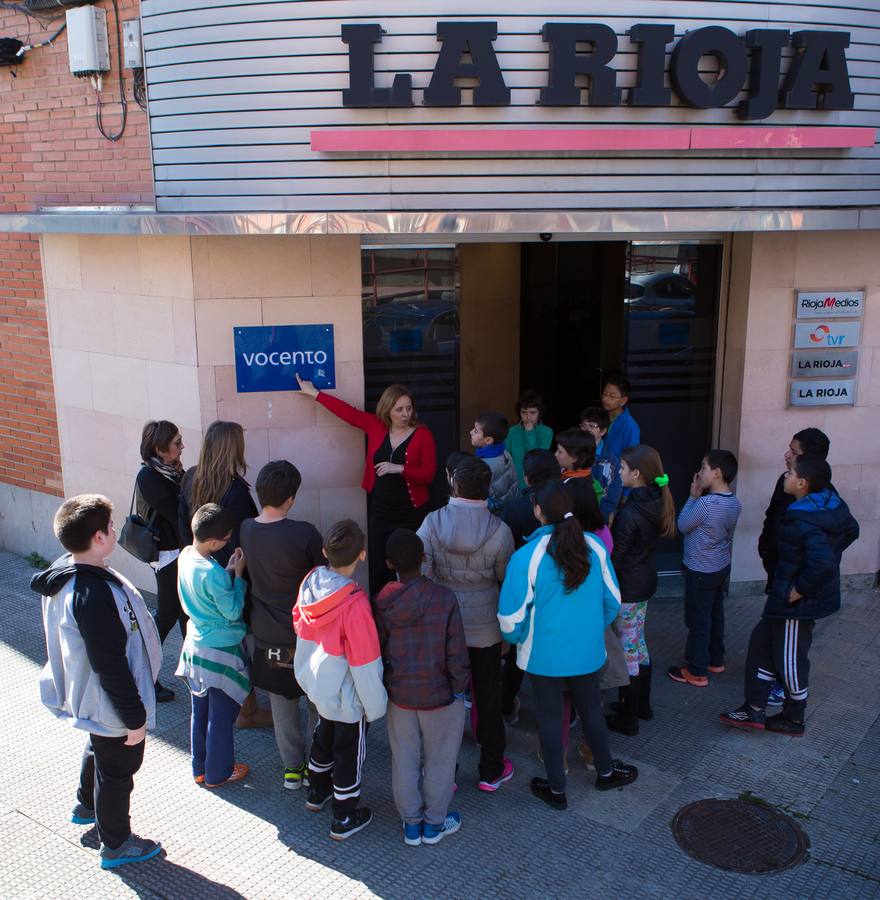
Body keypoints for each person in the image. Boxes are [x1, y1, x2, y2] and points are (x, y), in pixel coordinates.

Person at [36, 494, 162, 869]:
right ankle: (116, 842)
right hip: (110, 701)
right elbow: (110, 663)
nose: (113, 530)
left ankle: (86, 804)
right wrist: (134, 717)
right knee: (119, 768)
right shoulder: (92, 594)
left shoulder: (68, 570)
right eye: (109, 527)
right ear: (97, 538)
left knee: (100, 748)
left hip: (92, 699)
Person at [498, 482, 638, 810]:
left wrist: (520, 641)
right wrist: (590, 630)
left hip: (542, 658)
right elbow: (612, 602)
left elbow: (509, 619)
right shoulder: (594, 546)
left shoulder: (526, 557)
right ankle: (605, 771)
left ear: (538, 511)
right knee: (592, 713)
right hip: (588, 654)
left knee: (549, 719)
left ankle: (556, 789)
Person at [721, 455, 859, 736]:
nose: (784, 476)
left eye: (789, 473)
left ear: (802, 482)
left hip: (796, 604)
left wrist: (799, 590)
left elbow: (822, 563)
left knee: (790, 658)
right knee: (761, 644)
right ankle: (754, 708)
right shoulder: (823, 505)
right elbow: (850, 531)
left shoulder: (805, 519)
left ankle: (794, 718)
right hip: (783, 599)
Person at [417, 456, 515, 792]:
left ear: (453, 484)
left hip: (444, 625)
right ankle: (490, 769)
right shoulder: (500, 531)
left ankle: (445, 772)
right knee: (488, 697)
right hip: (485, 627)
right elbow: (506, 581)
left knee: (446, 699)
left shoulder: (432, 523)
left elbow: (420, 570)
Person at [295, 375, 437, 595]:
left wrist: (399, 468)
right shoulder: (376, 426)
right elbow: (348, 413)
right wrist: (315, 394)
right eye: (399, 409)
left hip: (411, 511)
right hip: (381, 509)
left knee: (410, 564)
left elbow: (428, 475)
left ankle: (411, 608)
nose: (405, 414)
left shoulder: (423, 434)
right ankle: (381, 612)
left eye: (408, 408)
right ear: (387, 409)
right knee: (380, 563)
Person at [373, 529, 470, 847]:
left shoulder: (383, 601)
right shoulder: (444, 599)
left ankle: (411, 824)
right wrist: (459, 688)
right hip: (441, 695)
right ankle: (434, 824)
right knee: (440, 760)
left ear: (389, 564)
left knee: (404, 758)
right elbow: (456, 652)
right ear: (425, 559)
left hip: (400, 696)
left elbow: (380, 650)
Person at [293, 520, 388, 841]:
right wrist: (375, 705)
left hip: (316, 683)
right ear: (362, 555)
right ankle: (345, 815)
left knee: (323, 738)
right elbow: (365, 662)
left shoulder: (310, 581)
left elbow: (297, 621)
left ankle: (316, 793)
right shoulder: (356, 603)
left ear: (324, 551)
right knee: (349, 752)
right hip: (347, 696)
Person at [239, 461, 323, 791]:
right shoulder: (304, 533)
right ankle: (318, 760)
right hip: (306, 632)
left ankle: (292, 767)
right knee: (317, 699)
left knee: (281, 702)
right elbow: (322, 575)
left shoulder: (246, 528)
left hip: (266, 633)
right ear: (290, 498)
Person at [178, 420, 265, 727]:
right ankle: (248, 711)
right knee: (237, 641)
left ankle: (232, 701)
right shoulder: (235, 490)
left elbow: (182, 527)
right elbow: (248, 535)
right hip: (230, 572)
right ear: (233, 448)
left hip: (201, 571)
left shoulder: (190, 478)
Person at [756, 427, 834, 708]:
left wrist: (800, 588)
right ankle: (769, 679)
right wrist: (766, 549)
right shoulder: (786, 481)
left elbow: (829, 553)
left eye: (794, 452)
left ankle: (790, 696)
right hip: (779, 571)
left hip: (794, 584)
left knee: (794, 640)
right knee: (772, 632)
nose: (786, 455)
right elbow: (774, 516)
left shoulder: (821, 502)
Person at [176, 504, 250, 789]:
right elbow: (232, 611)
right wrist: (238, 577)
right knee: (221, 715)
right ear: (215, 542)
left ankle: (201, 768)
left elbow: (206, 588)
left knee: (200, 709)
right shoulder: (213, 573)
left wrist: (226, 570)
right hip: (220, 649)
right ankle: (219, 772)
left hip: (194, 643)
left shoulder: (186, 556)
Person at [606, 444, 676, 736]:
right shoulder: (656, 501)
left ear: (636, 474)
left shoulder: (630, 512)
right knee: (638, 645)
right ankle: (641, 706)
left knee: (628, 652)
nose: (618, 473)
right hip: (644, 582)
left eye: (621, 468)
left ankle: (629, 717)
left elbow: (617, 558)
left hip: (629, 589)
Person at [668, 450, 742, 687]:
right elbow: (728, 534)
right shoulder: (735, 503)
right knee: (715, 614)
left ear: (717, 473)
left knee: (698, 619)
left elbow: (682, 525)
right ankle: (715, 659)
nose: (699, 473)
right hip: (720, 566)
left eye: (703, 468)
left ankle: (696, 669)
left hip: (700, 569)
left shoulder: (706, 503)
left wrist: (692, 497)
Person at [499, 448, 561, 725]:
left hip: (525, 587)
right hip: (558, 589)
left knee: (517, 651)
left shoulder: (514, 509)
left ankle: (506, 701)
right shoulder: (564, 502)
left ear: (526, 477)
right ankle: (563, 709)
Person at [135, 420, 187, 704]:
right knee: (166, 616)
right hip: (168, 556)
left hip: (180, 552)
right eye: (177, 443)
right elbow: (177, 514)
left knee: (186, 614)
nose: (182, 447)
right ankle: (143, 675)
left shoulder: (169, 470)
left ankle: (193, 671)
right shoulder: (150, 477)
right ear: (160, 449)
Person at [554, 428, 607, 543]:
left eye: (560, 451)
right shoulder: (593, 482)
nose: (555, 454)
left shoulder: (576, 490)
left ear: (574, 457)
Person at [580, 406, 623, 521]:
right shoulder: (573, 454)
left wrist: (598, 518)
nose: (586, 430)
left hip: (599, 519)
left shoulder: (611, 461)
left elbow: (613, 495)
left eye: (592, 426)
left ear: (603, 431)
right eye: (584, 425)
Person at [469, 411, 519, 511]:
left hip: (494, 515)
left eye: (475, 431)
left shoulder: (483, 467)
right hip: (510, 508)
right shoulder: (505, 453)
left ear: (488, 440)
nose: (471, 432)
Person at [506, 389, 554, 489]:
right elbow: (506, 458)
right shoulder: (512, 431)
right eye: (524, 413)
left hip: (535, 483)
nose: (528, 417)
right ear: (519, 413)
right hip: (514, 484)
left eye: (533, 413)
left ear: (539, 413)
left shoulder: (547, 432)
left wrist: (530, 433)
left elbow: (537, 458)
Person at [601, 374, 640, 461]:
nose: (605, 399)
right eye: (604, 394)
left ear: (623, 400)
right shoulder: (598, 418)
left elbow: (632, 459)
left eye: (611, 396)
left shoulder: (630, 426)